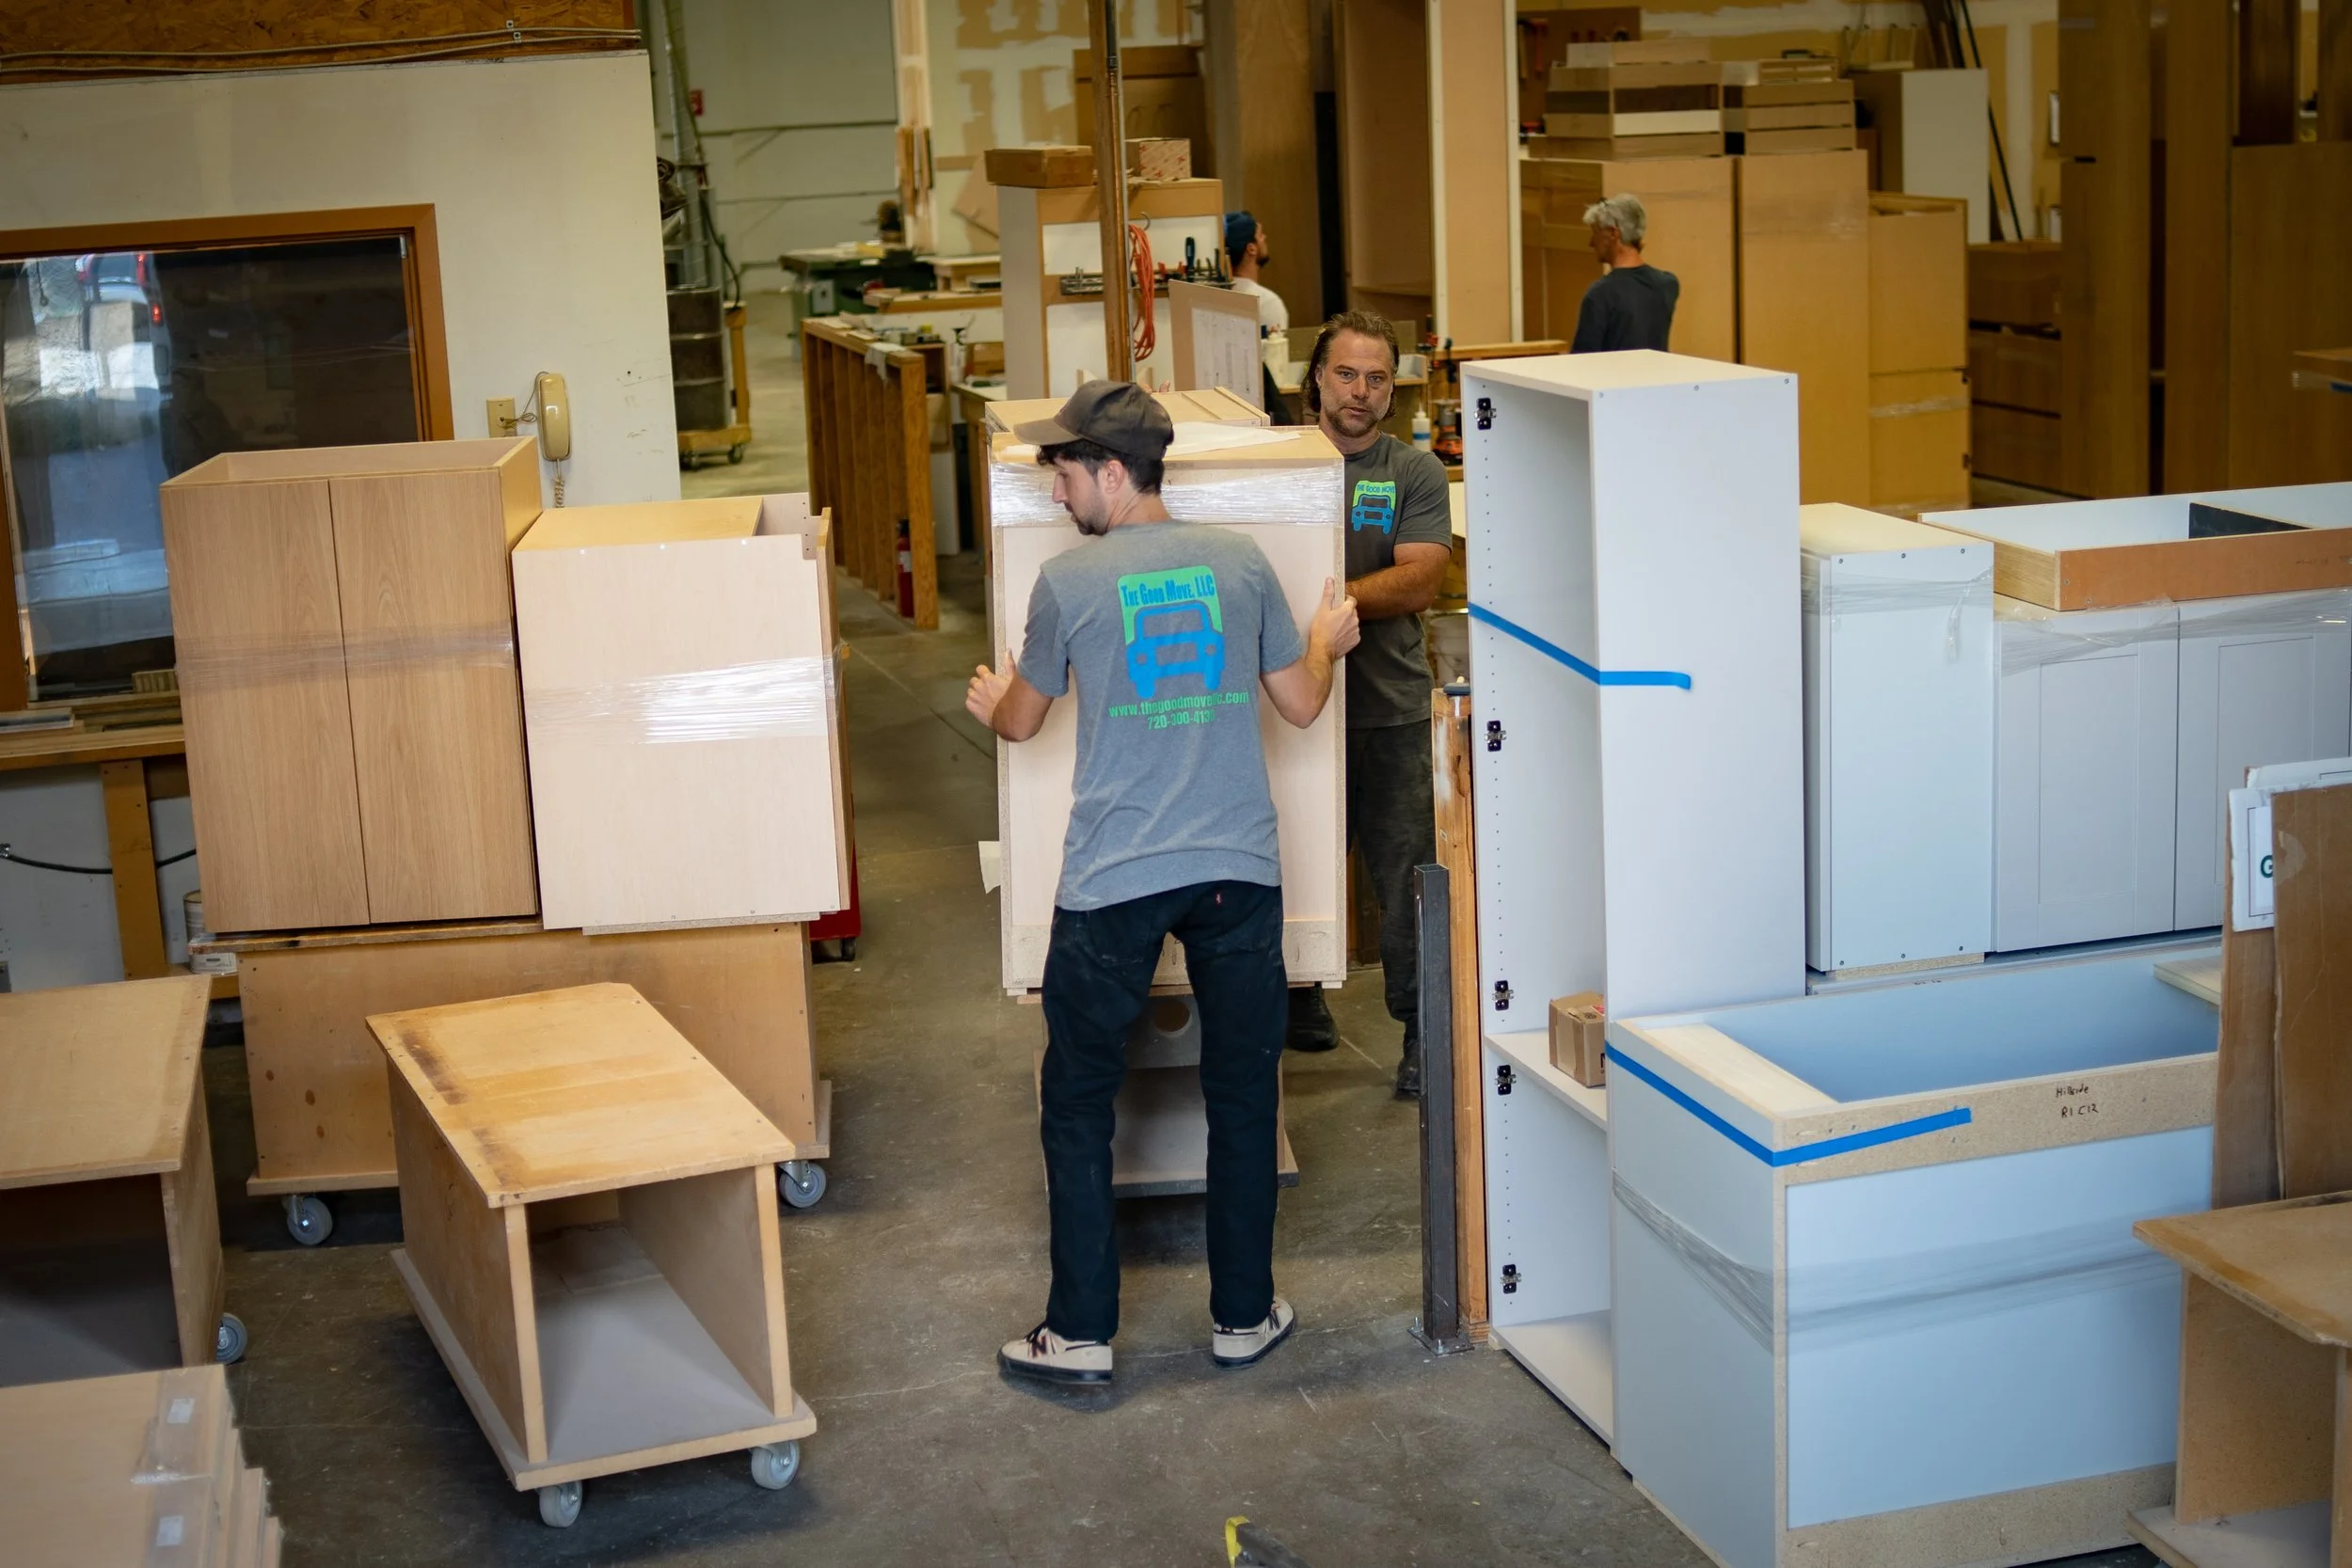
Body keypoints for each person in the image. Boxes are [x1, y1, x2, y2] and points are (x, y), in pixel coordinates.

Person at [967, 380, 1360, 1386]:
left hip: (1115, 879)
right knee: (1240, 1098)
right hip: (1237, 871)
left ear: (1110, 470)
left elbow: (1021, 723)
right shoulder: (1241, 562)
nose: (1055, 491)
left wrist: (988, 696)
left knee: (1078, 1101)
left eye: (1064, 470)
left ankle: (1081, 1330)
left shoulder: (1069, 585)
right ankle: (1241, 1316)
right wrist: (1330, 638)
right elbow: (1305, 704)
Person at [1283, 311, 1453, 1098]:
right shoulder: (1279, 466)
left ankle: (1421, 1032)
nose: (1360, 390)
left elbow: (1422, 578)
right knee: (1295, 862)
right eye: (1346, 373)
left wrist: (1321, 606)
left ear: (1394, 387)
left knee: (1406, 879)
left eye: (1377, 377)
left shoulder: (1409, 472)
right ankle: (1297, 998)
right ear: (1315, 377)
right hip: (1295, 705)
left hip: (1387, 709)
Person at [1571, 193, 1679, 353]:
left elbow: (1582, 361)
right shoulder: (1668, 285)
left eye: (1595, 233)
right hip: (1658, 377)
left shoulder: (1601, 295)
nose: (1591, 243)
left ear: (1614, 234)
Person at [1224, 210, 1290, 335]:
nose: (1264, 237)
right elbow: (1273, 353)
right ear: (1251, 249)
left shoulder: (1217, 295)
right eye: (1260, 235)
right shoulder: (1267, 303)